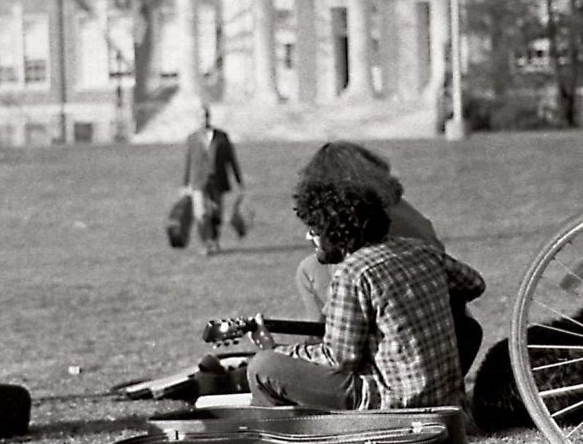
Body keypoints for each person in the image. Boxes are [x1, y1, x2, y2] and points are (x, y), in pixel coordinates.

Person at [247, 179, 486, 411]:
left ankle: (281, 439)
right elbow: (475, 284)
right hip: (446, 401)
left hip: (393, 404)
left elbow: (337, 359)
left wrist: (275, 349)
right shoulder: (420, 249)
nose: (308, 238)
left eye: (313, 230)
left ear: (336, 231)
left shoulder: (352, 273)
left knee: (262, 366)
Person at [291, 140, 482, 373]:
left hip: (407, 348)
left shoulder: (360, 244)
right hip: (454, 331)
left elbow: (349, 300)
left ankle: (315, 355)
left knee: (310, 269)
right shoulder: (402, 211)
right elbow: (472, 284)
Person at [182, 103, 244, 255]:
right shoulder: (192, 138)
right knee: (201, 213)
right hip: (198, 181)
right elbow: (188, 161)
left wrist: (238, 180)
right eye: (201, 116)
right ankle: (205, 243)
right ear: (198, 118)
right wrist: (185, 184)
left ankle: (215, 241)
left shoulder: (221, 137)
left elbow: (231, 159)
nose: (204, 119)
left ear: (210, 117)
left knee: (216, 213)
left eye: (206, 115)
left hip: (218, 181)